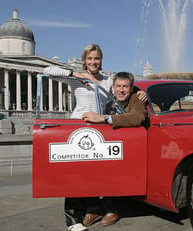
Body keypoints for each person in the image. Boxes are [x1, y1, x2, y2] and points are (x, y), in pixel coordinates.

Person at [43, 44, 146, 231]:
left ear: (101, 60)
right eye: (89, 58)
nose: (93, 62)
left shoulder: (107, 80)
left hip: (100, 129)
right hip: (78, 128)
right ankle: (73, 220)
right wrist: (75, 74)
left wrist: (140, 92)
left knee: (95, 173)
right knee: (75, 174)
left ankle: (95, 208)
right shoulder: (76, 79)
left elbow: (122, 87)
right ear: (84, 60)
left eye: (97, 58)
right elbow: (47, 70)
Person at [81, 71, 147, 227]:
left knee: (114, 171)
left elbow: (137, 118)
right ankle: (94, 208)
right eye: (118, 86)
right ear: (113, 87)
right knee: (88, 167)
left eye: (125, 86)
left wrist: (104, 118)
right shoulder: (109, 102)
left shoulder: (137, 98)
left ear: (131, 89)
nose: (121, 90)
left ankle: (112, 209)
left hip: (131, 149)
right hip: (110, 147)